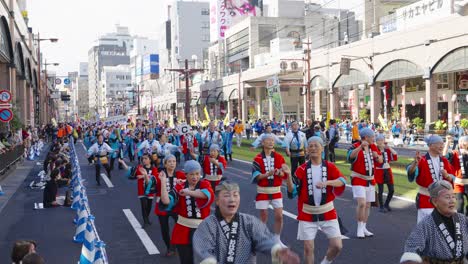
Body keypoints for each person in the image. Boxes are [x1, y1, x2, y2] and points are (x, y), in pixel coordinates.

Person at [193, 180, 300, 264]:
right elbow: (202, 250)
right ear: (217, 201)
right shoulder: (207, 225)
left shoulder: (249, 222)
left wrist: (276, 250)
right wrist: (208, 260)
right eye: (226, 195)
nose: (232, 199)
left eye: (235, 195)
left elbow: (263, 239)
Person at [286, 136, 346, 264]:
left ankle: (325, 262)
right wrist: (287, 179)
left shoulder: (330, 166)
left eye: (316, 145)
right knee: (308, 248)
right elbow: (292, 192)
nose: (313, 148)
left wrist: (327, 183)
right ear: (307, 150)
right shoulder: (301, 169)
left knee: (337, 246)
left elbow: (342, 181)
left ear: (322, 148)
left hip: (328, 211)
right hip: (307, 213)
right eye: (310, 146)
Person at [159, 160, 214, 264]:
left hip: (202, 230)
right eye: (191, 174)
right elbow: (166, 201)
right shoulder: (179, 186)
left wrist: (188, 192)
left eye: (197, 174)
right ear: (186, 175)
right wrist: (162, 181)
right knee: (186, 261)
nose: (195, 177)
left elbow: (206, 196)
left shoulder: (204, 184)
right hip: (183, 230)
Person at [400, 181, 468, 264]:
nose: (452, 201)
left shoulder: (463, 219)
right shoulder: (426, 224)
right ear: (435, 202)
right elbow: (412, 247)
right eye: (447, 197)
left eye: (453, 196)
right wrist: (411, 260)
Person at [407, 135, 456, 223]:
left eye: (442, 143)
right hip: (426, 199)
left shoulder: (444, 161)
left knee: (444, 227)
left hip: (443, 200)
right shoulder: (422, 160)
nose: (441, 146)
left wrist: (447, 175)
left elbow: (453, 177)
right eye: (438, 144)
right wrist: (415, 163)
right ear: (430, 145)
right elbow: (411, 172)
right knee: (425, 227)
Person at [252, 134, 290, 245]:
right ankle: (261, 237)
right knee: (263, 215)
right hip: (262, 191)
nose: (271, 142)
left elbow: (285, 174)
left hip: (276, 191)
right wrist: (268, 174)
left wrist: (279, 173)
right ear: (263, 143)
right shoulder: (257, 159)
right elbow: (257, 176)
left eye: (273, 140)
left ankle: (277, 239)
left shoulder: (279, 157)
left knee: (279, 216)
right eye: (268, 140)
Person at [347, 127, 383, 238]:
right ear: (366, 137)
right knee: (362, 203)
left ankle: (364, 227)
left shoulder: (373, 147)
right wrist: (360, 147)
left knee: (368, 205)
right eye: (372, 137)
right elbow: (350, 157)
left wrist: (377, 157)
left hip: (370, 179)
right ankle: (359, 228)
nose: (374, 139)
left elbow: (381, 161)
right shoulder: (354, 146)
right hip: (358, 178)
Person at [155, 154, 186, 256]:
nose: (172, 163)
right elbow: (151, 186)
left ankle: (174, 244)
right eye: (170, 162)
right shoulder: (159, 175)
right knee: (164, 229)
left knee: (181, 226)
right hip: (163, 207)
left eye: (174, 161)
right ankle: (169, 248)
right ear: (165, 163)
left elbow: (190, 181)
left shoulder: (180, 175)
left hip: (177, 206)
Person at [444, 135, 468, 215]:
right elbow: (444, 156)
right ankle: (460, 221)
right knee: (460, 203)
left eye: (464, 141)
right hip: (458, 183)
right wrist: (448, 142)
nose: (462, 143)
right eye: (460, 141)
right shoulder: (455, 153)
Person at [375, 134, 398, 213]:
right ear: (376, 141)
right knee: (380, 190)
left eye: (382, 140)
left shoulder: (387, 150)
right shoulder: (375, 150)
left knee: (391, 190)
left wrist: (389, 147)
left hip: (387, 170)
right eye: (379, 140)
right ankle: (381, 206)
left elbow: (395, 156)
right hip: (379, 171)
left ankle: (386, 204)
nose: (381, 142)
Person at [135, 153, 158, 228]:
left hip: (150, 190)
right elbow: (138, 176)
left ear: (150, 160)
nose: (144, 160)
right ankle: (145, 221)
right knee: (143, 206)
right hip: (142, 190)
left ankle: (147, 218)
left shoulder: (154, 169)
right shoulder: (140, 167)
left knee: (149, 207)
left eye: (146, 159)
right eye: (143, 159)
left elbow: (154, 178)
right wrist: (145, 176)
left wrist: (144, 176)